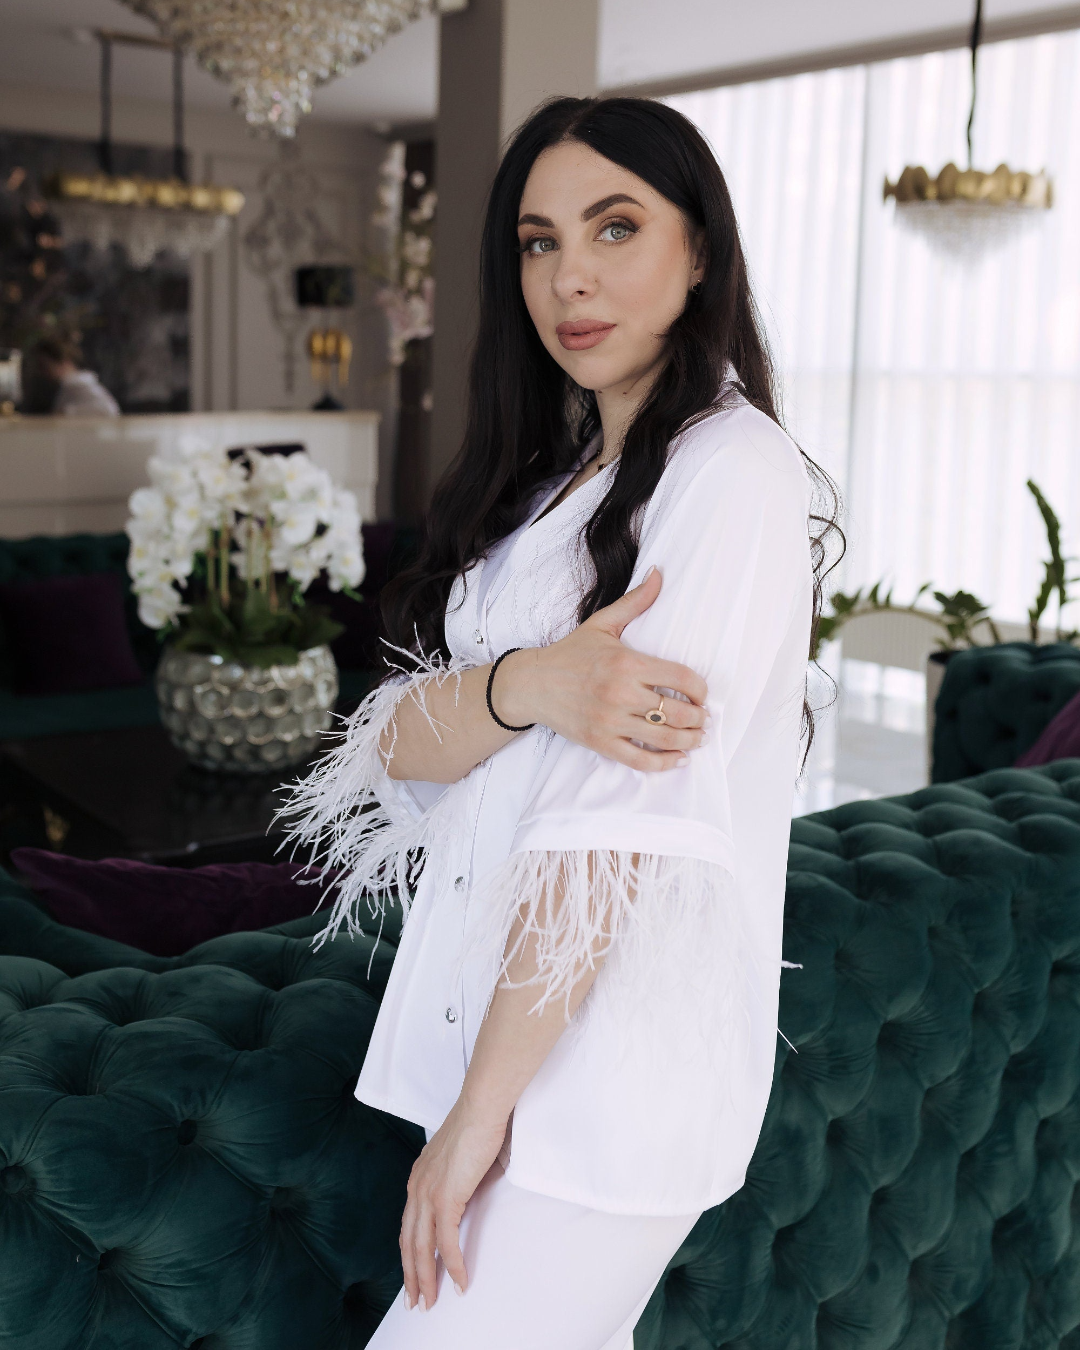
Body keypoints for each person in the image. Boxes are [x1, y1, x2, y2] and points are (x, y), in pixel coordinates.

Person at [281, 96, 839, 1349]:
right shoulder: (557, 483)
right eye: (538, 242)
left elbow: (617, 822)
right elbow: (386, 747)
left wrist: (482, 1115)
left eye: (615, 226)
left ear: (701, 253)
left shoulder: (730, 470)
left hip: (606, 1072)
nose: (569, 276)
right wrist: (528, 687)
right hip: (513, 1040)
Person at [32, 336, 120, 416]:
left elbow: (108, 410)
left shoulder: (81, 386)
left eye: (44, 366)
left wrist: (67, 412)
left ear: (63, 361)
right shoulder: (68, 387)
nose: (42, 372)